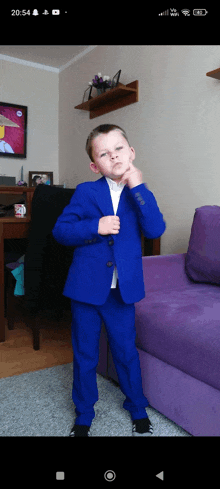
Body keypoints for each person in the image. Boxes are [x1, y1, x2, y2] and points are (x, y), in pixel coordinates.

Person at [52, 124, 166, 436]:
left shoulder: (140, 194)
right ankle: (84, 413)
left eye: (118, 148)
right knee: (85, 354)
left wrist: (137, 186)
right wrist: (95, 227)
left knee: (126, 352)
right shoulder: (86, 192)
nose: (112, 155)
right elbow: (60, 231)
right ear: (94, 165)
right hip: (86, 291)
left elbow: (155, 230)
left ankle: (137, 406)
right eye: (104, 153)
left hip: (121, 294)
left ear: (131, 153)